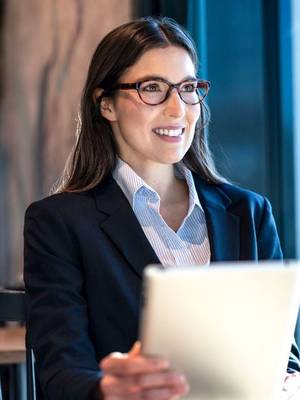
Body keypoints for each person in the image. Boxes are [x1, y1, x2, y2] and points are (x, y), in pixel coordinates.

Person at [24, 16, 300, 400]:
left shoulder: (249, 213)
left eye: (188, 88)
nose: (177, 110)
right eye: (152, 88)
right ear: (106, 105)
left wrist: (289, 381)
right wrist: (108, 389)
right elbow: (60, 374)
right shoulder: (59, 222)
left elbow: (283, 355)